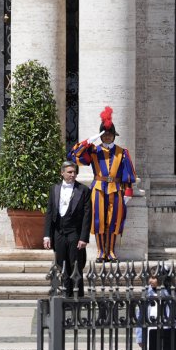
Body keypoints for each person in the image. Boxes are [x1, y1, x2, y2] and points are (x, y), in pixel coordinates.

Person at [68, 107, 136, 261]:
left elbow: (129, 175)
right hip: (98, 189)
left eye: (109, 134)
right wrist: (88, 141)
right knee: (98, 221)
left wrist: (128, 193)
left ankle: (110, 251)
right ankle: (100, 252)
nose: (107, 137)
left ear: (114, 136)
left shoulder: (122, 152)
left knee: (114, 221)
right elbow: (74, 156)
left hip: (117, 189)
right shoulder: (93, 150)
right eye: (104, 135)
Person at [43, 161, 92, 298]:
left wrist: (84, 237)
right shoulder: (54, 188)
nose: (72, 174)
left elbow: (88, 216)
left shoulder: (84, 190)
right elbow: (49, 212)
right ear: (62, 173)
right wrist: (47, 235)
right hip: (58, 232)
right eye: (69, 172)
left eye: (74, 172)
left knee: (75, 264)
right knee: (61, 265)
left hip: (74, 233)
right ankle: (65, 295)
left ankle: (77, 296)